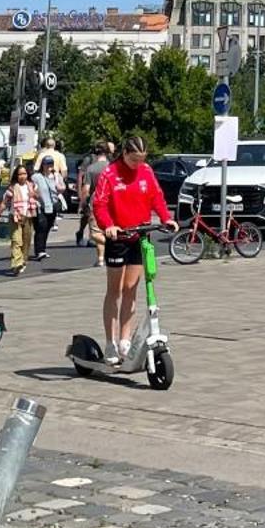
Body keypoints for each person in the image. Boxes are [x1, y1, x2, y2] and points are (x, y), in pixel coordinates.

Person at [90, 135, 170, 364]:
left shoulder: (146, 172)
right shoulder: (110, 174)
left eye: (142, 159)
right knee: (114, 291)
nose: (138, 164)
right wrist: (109, 226)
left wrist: (166, 218)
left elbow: (157, 197)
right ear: (124, 153)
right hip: (119, 236)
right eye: (134, 159)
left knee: (131, 289)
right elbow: (100, 204)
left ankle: (125, 340)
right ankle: (110, 343)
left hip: (139, 235)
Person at [76, 140, 112, 255]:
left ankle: (102, 256)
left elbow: (86, 188)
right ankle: (103, 257)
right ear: (108, 152)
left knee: (95, 231)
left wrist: (82, 202)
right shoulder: (112, 168)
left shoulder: (91, 168)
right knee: (108, 228)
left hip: (95, 202)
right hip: (111, 202)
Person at [4, 164, 37, 275]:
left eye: (24, 174)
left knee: (26, 242)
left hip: (28, 216)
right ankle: (16, 264)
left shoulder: (31, 186)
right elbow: (4, 203)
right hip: (15, 217)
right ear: (16, 176)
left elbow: (38, 196)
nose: (22, 176)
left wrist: (35, 194)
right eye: (20, 174)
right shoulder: (12, 188)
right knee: (16, 241)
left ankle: (23, 261)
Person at [31, 156, 62, 261]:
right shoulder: (36, 177)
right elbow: (31, 189)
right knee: (41, 227)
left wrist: (60, 187)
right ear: (42, 165)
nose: (49, 166)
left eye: (51, 164)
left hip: (53, 205)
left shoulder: (56, 176)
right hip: (40, 206)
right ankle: (39, 251)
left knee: (47, 227)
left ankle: (42, 249)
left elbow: (62, 188)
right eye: (47, 164)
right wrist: (35, 194)